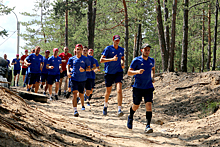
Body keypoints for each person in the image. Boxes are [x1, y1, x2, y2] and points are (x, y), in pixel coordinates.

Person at [127, 43, 155, 133]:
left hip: (148, 87)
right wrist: (137, 72)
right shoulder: (136, 60)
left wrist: (152, 77)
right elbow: (129, 72)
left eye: (148, 50)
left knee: (149, 105)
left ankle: (148, 126)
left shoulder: (151, 60)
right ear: (141, 50)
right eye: (145, 49)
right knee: (136, 105)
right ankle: (130, 116)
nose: (147, 51)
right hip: (138, 87)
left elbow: (153, 68)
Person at [100, 35, 124, 116]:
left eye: (118, 40)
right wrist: (111, 59)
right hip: (109, 72)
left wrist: (122, 63)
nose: (117, 41)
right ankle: (105, 106)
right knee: (108, 91)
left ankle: (119, 110)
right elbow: (101, 60)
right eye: (116, 40)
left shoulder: (121, 49)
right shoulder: (108, 49)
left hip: (118, 72)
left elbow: (122, 58)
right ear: (113, 40)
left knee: (119, 90)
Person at [67, 44, 91, 117]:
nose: (78, 51)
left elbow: (89, 68)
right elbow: (67, 65)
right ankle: (75, 110)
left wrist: (84, 70)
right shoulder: (72, 59)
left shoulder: (85, 59)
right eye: (77, 49)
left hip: (82, 79)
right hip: (74, 78)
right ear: (75, 50)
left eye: (80, 49)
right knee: (74, 93)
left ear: (81, 50)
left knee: (81, 94)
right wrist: (68, 72)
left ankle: (82, 104)